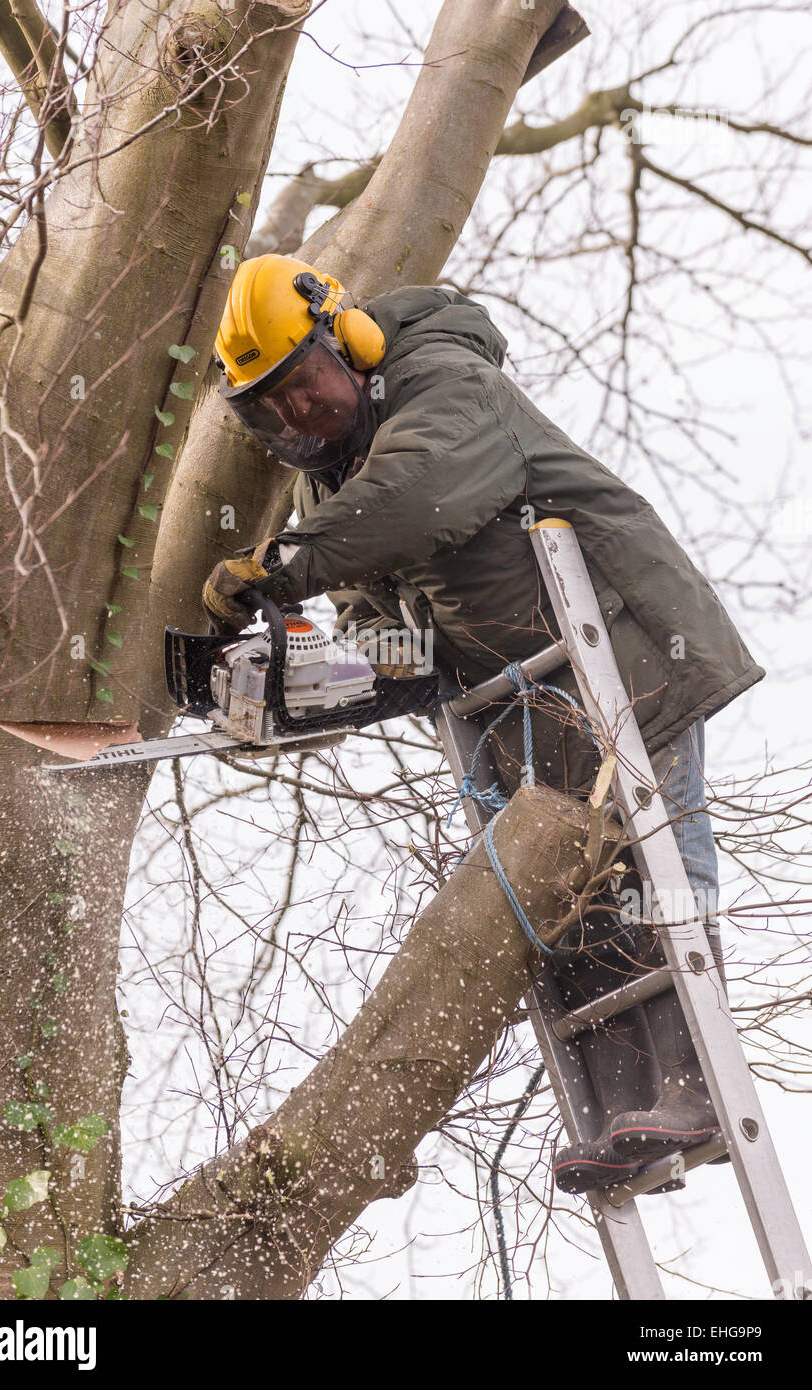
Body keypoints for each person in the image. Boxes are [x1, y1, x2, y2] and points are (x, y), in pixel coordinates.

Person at [202, 253, 765, 1192]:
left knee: (652, 864)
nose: (297, 416)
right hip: (520, 707)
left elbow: (420, 496)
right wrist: (300, 685)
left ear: (349, 342)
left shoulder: (447, 386)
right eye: (275, 408)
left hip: (626, 660)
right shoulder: (327, 501)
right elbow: (402, 652)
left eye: (302, 386)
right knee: (565, 898)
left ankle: (692, 1085)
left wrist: (283, 566)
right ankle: (632, 1111)